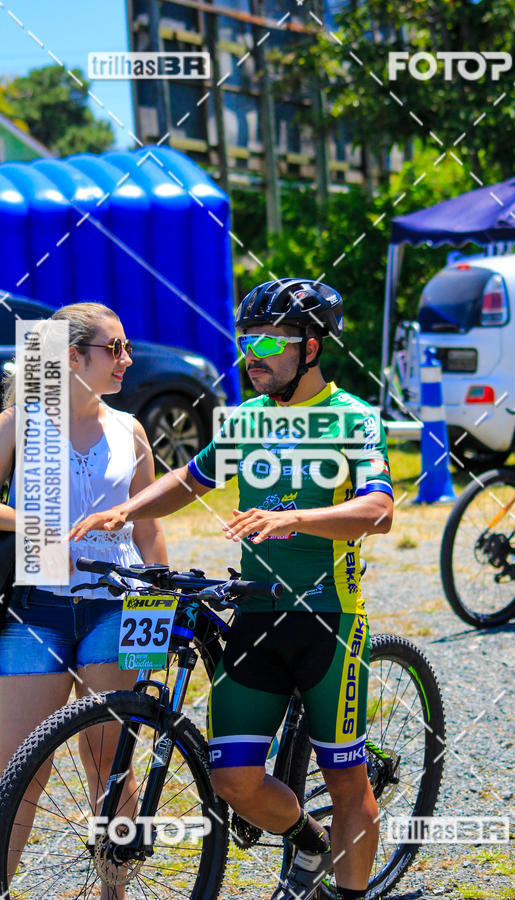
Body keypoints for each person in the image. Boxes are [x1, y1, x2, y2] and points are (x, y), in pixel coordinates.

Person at [70, 279, 395, 900]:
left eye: (271, 340)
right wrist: (127, 510)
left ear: (312, 346)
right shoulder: (246, 420)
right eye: (248, 340)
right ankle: (307, 839)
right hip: (254, 611)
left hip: (328, 618)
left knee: (347, 778)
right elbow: (191, 479)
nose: (254, 353)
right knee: (234, 779)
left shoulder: (352, 417)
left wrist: (296, 519)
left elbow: (379, 510)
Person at [0, 302, 167, 896]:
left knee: (110, 765)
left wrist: (162, 603)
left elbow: (147, 527)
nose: (127, 360)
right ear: (72, 357)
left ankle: (114, 892)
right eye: (113, 349)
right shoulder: (21, 421)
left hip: (117, 605)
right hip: (36, 605)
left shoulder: (131, 428)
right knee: (20, 771)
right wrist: (41, 535)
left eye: (127, 347)